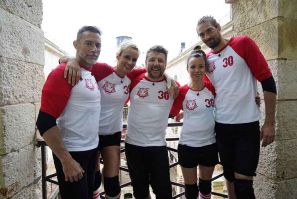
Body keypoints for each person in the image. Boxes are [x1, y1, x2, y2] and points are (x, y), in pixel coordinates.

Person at [196, 16, 277, 199]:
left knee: (243, 185)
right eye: (202, 34)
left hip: (246, 126)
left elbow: (267, 81)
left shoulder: (243, 43)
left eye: (209, 30)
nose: (207, 36)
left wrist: (270, 122)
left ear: (218, 27)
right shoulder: (207, 61)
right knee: (230, 179)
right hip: (222, 127)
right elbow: (202, 87)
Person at [61, 42, 142, 199]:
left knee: (112, 182)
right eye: (126, 57)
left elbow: (151, 69)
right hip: (91, 132)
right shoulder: (102, 70)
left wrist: (167, 77)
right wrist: (70, 60)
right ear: (118, 56)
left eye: (134, 59)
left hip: (112, 132)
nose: (130, 62)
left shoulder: (130, 77)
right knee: (94, 179)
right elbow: (73, 60)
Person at [36, 26, 102, 199]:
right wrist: (67, 160)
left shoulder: (91, 72)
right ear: (76, 44)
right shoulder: (62, 73)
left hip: (91, 151)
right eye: (89, 43)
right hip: (72, 153)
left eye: (98, 45)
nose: (94, 49)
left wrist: (95, 160)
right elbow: (44, 121)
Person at [125, 45, 176, 199]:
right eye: (152, 59)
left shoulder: (173, 87)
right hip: (134, 146)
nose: (156, 63)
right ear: (145, 62)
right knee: (140, 192)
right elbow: (114, 71)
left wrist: (169, 78)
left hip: (158, 146)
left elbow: (175, 111)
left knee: (164, 192)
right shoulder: (133, 79)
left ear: (166, 64)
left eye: (160, 60)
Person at [170, 46, 218, 199]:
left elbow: (227, 102)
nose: (197, 70)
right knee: (190, 189)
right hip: (188, 146)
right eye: (193, 67)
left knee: (205, 187)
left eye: (200, 66)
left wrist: (253, 98)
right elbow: (170, 112)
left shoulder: (212, 88)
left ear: (205, 68)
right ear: (187, 69)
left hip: (209, 144)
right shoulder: (182, 91)